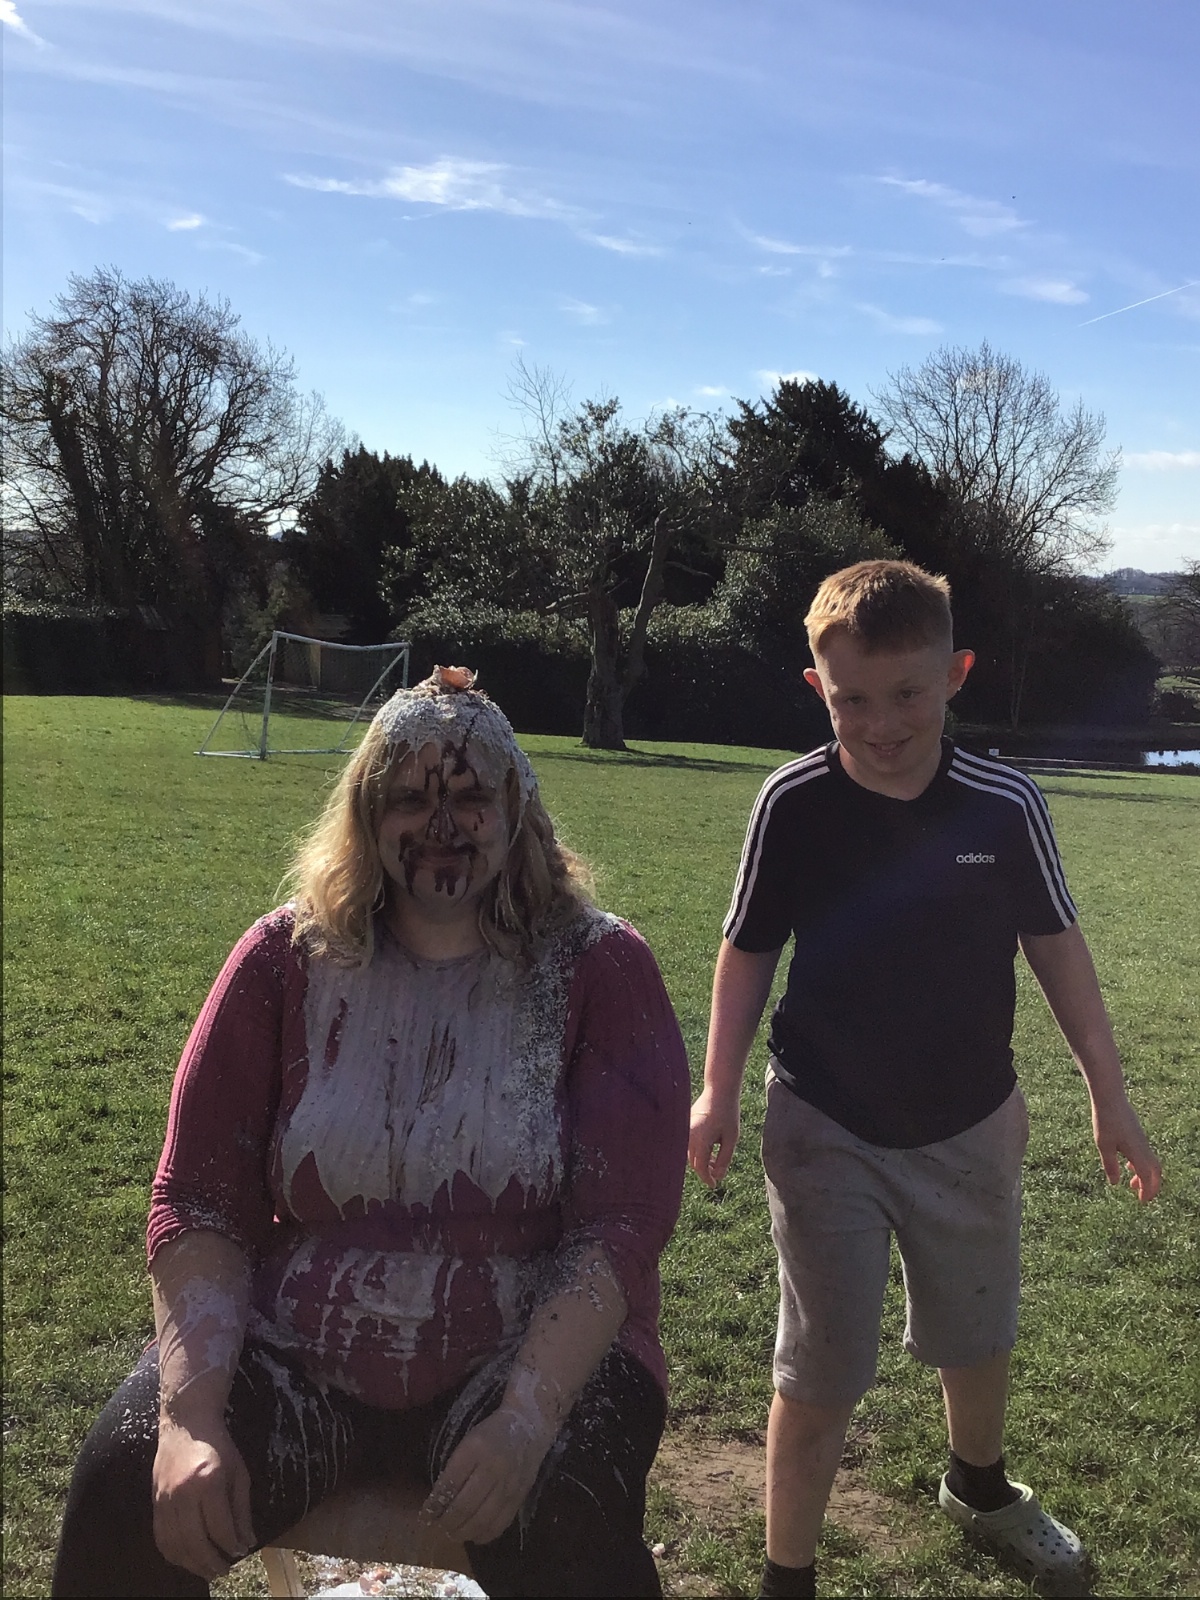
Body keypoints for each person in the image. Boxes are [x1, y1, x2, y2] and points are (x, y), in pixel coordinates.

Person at [54, 666, 691, 1599]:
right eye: (410, 799)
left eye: (470, 797)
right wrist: (190, 1419)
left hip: (527, 1347)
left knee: (567, 1512)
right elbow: (197, 1198)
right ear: (365, 814)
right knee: (123, 1487)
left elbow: (620, 1225)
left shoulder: (600, 968)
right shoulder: (283, 959)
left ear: (517, 810)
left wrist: (525, 1417)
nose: (442, 825)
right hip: (300, 1345)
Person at [688, 561, 1162, 1599]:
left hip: (971, 1122)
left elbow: (1059, 949)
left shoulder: (1004, 804)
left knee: (975, 1329)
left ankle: (979, 1485)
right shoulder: (792, 802)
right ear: (817, 689)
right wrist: (716, 1089)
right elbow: (747, 951)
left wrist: (1109, 1096)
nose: (881, 723)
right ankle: (786, 1576)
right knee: (818, 1368)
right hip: (822, 1123)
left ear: (956, 674)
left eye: (907, 693)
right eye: (852, 698)